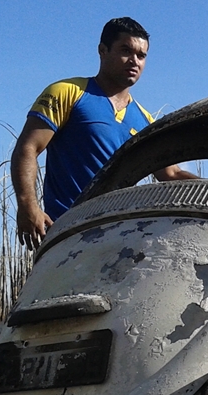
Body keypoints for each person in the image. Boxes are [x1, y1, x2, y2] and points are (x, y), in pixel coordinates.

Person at [12, 17, 195, 249]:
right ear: (102, 50)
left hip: (118, 239)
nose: (134, 61)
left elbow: (171, 174)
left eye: (141, 55)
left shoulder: (145, 121)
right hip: (66, 234)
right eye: (126, 51)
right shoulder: (68, 92)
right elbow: (28, 148)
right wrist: (28, 205)